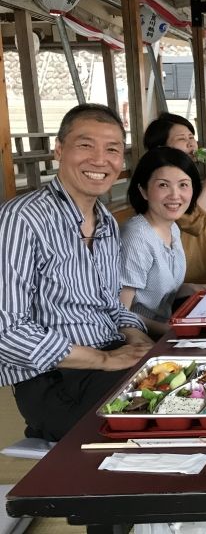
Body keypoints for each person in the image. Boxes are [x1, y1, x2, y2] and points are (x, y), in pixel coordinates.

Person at [0, 104, 152, 441]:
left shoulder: (108, 222)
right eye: (85, 145)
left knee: (197, 378)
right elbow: (7, 331)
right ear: (59, 150)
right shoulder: (22, 219)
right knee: (168, 410)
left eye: (112, 149)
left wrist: (137, 334)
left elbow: (110, 305)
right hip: (55, 381)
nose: (100, 160)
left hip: (110, 355)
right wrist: (101, 360)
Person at [120, 147, 203, 338]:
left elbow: (159, 292)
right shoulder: (137, 237)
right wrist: (172, 332)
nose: (175, 195)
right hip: (141, 338)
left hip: (168, 325)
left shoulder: (172, 227)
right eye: (163, 185)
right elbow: (121, 313)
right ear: (143, 190)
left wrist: (197, 288)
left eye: (183, 185)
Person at [143, 113, 206, 284]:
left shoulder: (189, 178)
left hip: (199, 271)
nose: (191, 143)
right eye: (182, 139)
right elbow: (192, 221)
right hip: (182, 283)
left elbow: (200, 221)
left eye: (192, 137)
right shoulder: (161, 185)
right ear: (162, 147)